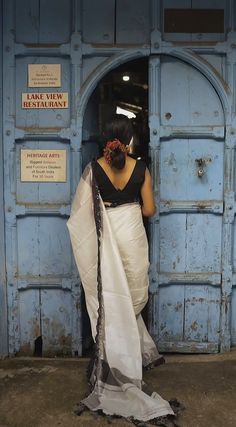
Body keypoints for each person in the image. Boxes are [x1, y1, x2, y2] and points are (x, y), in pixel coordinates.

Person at [67, 115, 179, 425]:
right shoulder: (141, 168)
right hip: (131, 232)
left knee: (109, 294)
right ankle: (129, 356)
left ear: (106, 138)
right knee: (132, 294)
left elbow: (82, 212)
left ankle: (116, 358)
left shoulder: (94, 168)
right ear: (129, 139)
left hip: (107, 236)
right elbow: (149, 210)